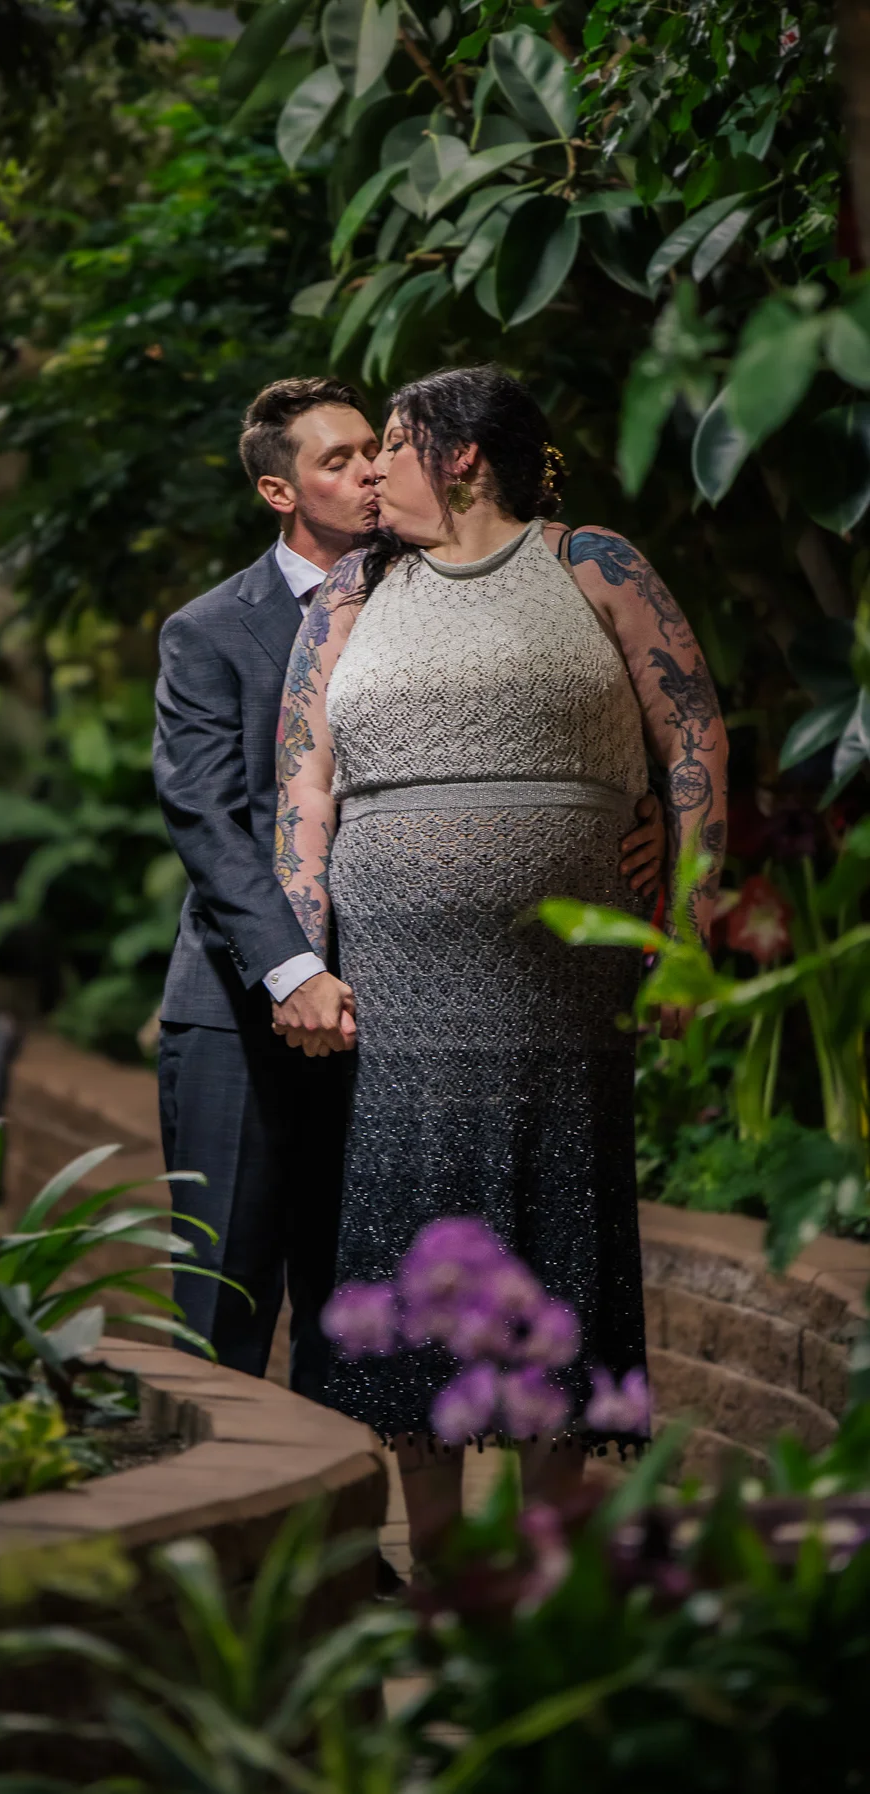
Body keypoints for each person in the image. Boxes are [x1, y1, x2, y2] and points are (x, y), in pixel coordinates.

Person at [272, 364, 727, 1561]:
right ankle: (442, 1564)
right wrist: (304, 961)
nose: (374, 473)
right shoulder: (350, 595)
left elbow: (692, 732)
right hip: (397, 998)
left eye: (398, 448)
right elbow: (305, 783)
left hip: (566, 995)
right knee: (407, 1254)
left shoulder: (592, 564)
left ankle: (544, 1573)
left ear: (462, 457)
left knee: (553, 1246)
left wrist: (686, 924)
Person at [153, 374, 667, 1406]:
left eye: (375, 448)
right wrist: (293, 966)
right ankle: (212, 1539)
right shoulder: (210, 630)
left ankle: (339, 1550)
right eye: (337, 461)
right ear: (280, 494)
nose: (370, 472)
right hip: (252, 1000)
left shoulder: (430, 584)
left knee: (357, 1293)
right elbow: (211, 822)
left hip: (399, 1020)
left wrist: (629, 804)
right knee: (226, 1298)